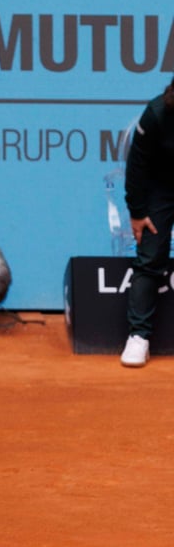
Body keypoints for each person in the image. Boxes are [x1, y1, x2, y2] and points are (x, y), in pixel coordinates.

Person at [121, 74, 174, 368]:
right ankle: (138, 336)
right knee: (151, 255)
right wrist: (138, 212)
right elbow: (137, 165)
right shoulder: (156, 113)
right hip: (160, 187)